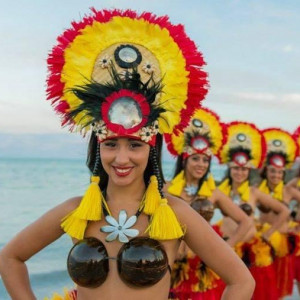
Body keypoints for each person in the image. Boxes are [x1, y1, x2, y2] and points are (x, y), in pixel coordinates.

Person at [0, 8, 255, 300]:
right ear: (98, 147)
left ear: (151, 149)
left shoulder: (173, 213)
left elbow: (241, 281)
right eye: (111, 144)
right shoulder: (76, 212)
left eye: (134, 145)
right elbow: (10, 258)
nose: (121, 159)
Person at [164, 107, 253, 299]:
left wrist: (228, 246)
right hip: (171, 265)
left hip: (202, 267)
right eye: (196, 158)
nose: (201, 164)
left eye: (206, 160)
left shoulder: (214, 194)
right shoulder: (165, 189)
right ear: (184, 159)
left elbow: (245, 221)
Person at [218, 121, 290, 300]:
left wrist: (269, 232)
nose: (239, 173)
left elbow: (283, 211)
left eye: (243, 169)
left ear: (248, 171)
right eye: (236, 168)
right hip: (227, 247)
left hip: (251, 252)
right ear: (230, 168)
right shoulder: (219, 191)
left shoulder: (253, 192)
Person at [258, 128, 300, 299]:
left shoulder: (288, 189)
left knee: (279, 286)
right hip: (263, 243)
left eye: (279, 172)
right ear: (266, 171)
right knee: (265, 287)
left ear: (284, 173)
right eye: (272, 171)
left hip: (283, 243)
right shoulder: (257, 191)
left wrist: (296, 221)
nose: (276, 175)